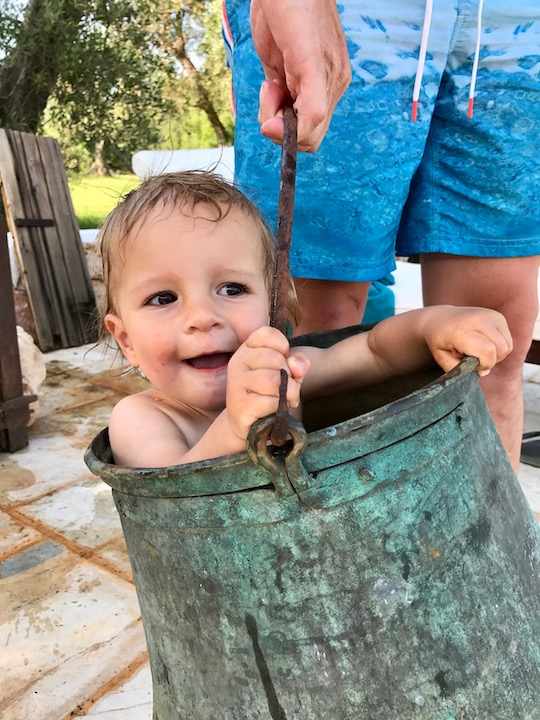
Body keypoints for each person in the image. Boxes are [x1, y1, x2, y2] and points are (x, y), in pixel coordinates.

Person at [222, 0, 540, 473]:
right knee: (309, 343)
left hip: (518, 26)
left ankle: (486, 524)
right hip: (355, 13)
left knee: (487, 353)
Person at [97, 171, 511, 469]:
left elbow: (374, 353)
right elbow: (173, 498)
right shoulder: (141, 418)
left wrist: (432, 325)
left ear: (274, 303)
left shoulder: (288, 373)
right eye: (163, 298)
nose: (203, 317)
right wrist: (236, 427)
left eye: (232, 289)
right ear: (126, 339)